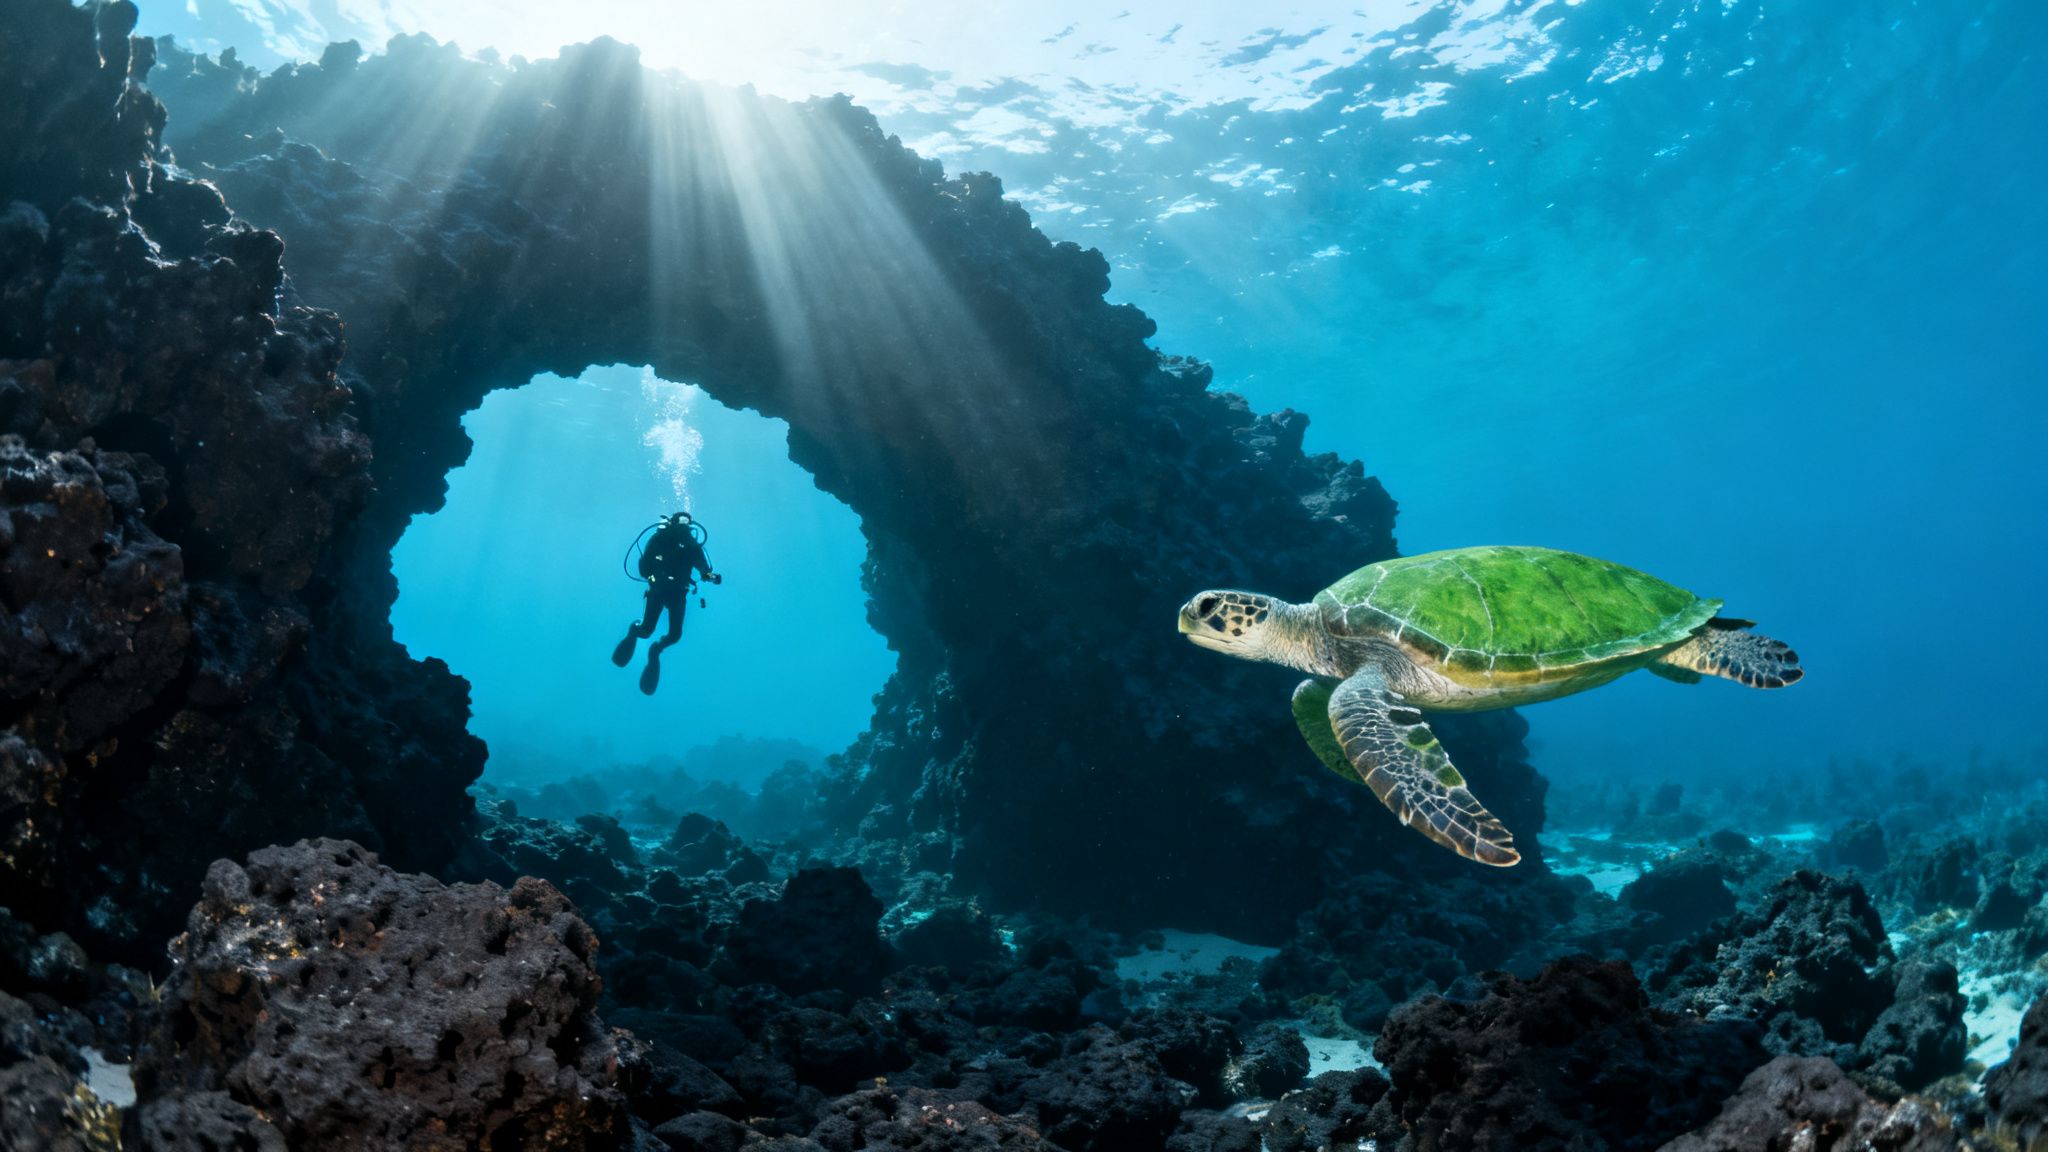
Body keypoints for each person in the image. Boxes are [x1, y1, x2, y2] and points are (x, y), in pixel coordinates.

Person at [613, 512, 721, 695]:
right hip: (657, 591)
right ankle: (634, 630)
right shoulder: (659, 538)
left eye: (686, 522)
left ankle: (656, 651)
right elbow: (644, 566)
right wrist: (653, 576)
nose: (683, 524)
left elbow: (704, 570)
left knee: (675, 635)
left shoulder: (693, 547)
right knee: (646, 631)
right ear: (672, 522)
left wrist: (711, 577)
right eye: (680, 520)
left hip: (678, 594)